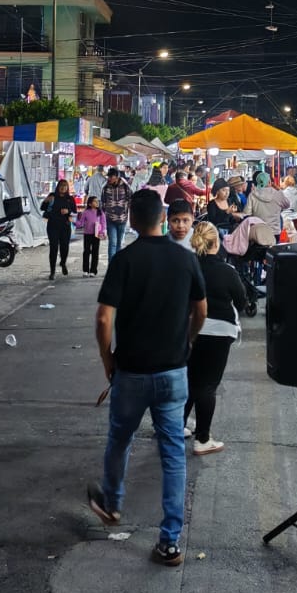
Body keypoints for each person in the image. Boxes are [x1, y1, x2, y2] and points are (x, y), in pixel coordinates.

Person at [86, 189, 207, 567]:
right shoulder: (185, 258)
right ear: (163, 219)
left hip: (131, 373)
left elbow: (104, 318)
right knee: (172, 454)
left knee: (120, 439)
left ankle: (112, 504)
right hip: (173, 372)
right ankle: (169, 542)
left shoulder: (124, 260)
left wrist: (107, 357)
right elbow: (201, 309)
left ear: (132, 220)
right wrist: (188, 339)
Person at [185, 221, 248, 456]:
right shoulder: (226, 271)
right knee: (207, 386)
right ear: (217, 243)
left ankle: (176, 426)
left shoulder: (188, 268)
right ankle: (203, 438)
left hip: (189, 330)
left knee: (190, 381)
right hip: (220, 332)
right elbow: (241, 301)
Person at [42, 179, 77, 279]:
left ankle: (63, 262)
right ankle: (52, 271)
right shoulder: (52, 196)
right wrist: (46, 201)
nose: (63, 187)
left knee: (64, 247)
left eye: (65, 186)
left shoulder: (70, 198)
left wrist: (68, 211)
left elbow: (75, 212)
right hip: (52, 225)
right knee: (53, 248)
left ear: (67, 188)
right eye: (61, 185)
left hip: (65, 226)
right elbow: (43, 208)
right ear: (58, 187)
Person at [102, 168, 132, 262]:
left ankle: (117, 265)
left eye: (112, 176)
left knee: (119, 244)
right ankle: (111, 266)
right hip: (110, 219)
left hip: (122, 219)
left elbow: (131, 199)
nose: (109, 178)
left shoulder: (126, 187)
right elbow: (103, 202)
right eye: (109, 176)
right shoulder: (105, 187)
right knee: (113, 243)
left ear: (117, 177)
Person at [77, 196, 107, 275]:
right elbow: (81, 223)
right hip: (87, 234)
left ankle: (93, 270)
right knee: (86, 252)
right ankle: (85, 270)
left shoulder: (100, 212)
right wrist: (73, 222)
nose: (97, 203)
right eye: (95, 201)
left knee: (95, 252)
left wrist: (102, 232)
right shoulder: (86, 212)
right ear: (90, 204)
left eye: (97, 201)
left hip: (96, 235)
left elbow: (103, 223)